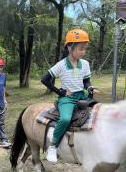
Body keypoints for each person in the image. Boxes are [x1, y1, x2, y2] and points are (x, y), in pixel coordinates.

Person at [41, 29, 96, 163]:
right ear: (70, 47)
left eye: (85, 49)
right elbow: (45, 79)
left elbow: (85, 81)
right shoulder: (60, 65)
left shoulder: (85, 64)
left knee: (99, 112)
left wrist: (89, 87)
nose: (83, 52)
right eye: (81, 49)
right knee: (65, 119)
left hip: (82, 96)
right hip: (68, 98)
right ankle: (53, 146)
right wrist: (60, 91)